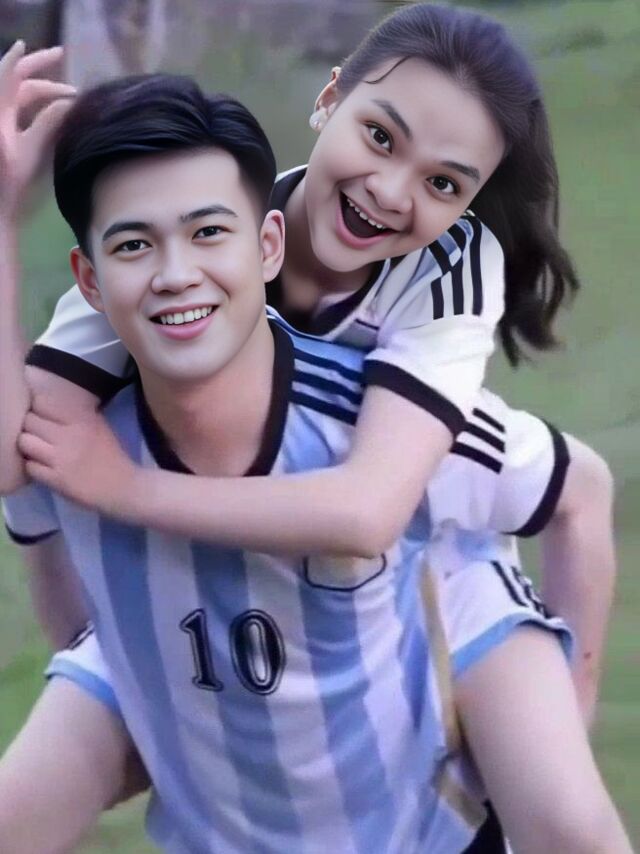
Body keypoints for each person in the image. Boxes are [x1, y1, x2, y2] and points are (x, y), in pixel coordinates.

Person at [0, 70, 631, 854]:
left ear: (268, 246)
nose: (176, 274)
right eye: (134, 245)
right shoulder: (72, 433)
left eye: (209, 233)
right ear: (90, 282)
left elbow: (576, 488)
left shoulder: (386, 427)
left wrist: (570, 707)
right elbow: (17, 478)